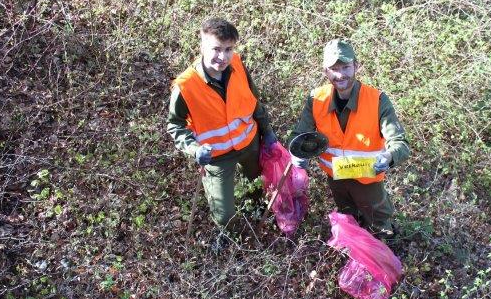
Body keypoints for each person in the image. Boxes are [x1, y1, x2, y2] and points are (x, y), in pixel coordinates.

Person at [167, 18, 277, 238]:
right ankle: (231, 238)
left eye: (228, 49)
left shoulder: (237, 64)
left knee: (257, 191)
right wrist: (195, 149)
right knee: (224, 215)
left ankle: (256, 219)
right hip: (216, 156)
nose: (223, 57)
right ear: (202, 47)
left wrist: (268, 131)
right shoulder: (185, 85)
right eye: (216, 49)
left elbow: (253, 100)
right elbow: (175, 125)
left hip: (249, 144)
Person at [289, 39, 410, 239]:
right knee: (349, 221)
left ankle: (383, 264)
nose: (340, 75)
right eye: (333, 69)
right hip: (336, 179)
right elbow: (298, 136)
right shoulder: (316, 99)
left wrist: (388, 157)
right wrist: (298, 154)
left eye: (345, 67)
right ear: (325, 71)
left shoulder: (377, 100)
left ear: (356, 66)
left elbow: (400, 144)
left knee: (380, 228)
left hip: (368, 179)